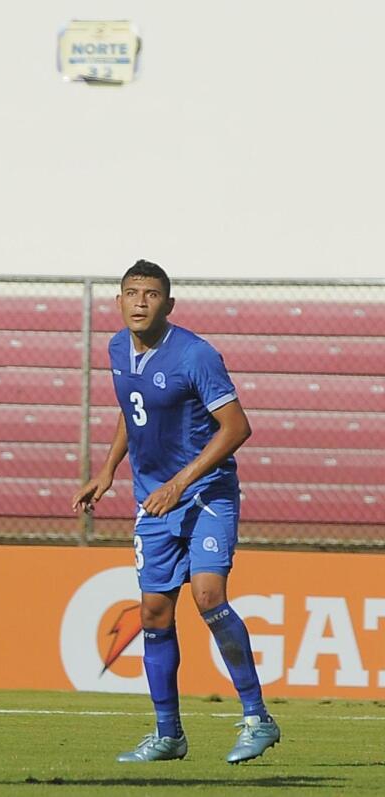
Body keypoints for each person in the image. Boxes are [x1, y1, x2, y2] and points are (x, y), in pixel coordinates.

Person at [72, 260, 281, 764]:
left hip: (205, 493)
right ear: (118, 301)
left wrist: (179, 482)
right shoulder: (117, 348)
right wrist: (108, 470)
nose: (140, 301)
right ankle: (169, 735)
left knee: (209, 596)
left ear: (169, 303)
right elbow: (133, 406)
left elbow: (237, 428)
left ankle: (257, 717)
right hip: (153, 500)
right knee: (153, 612)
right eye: (131, 293)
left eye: (150, 294)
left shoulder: (196, 354)